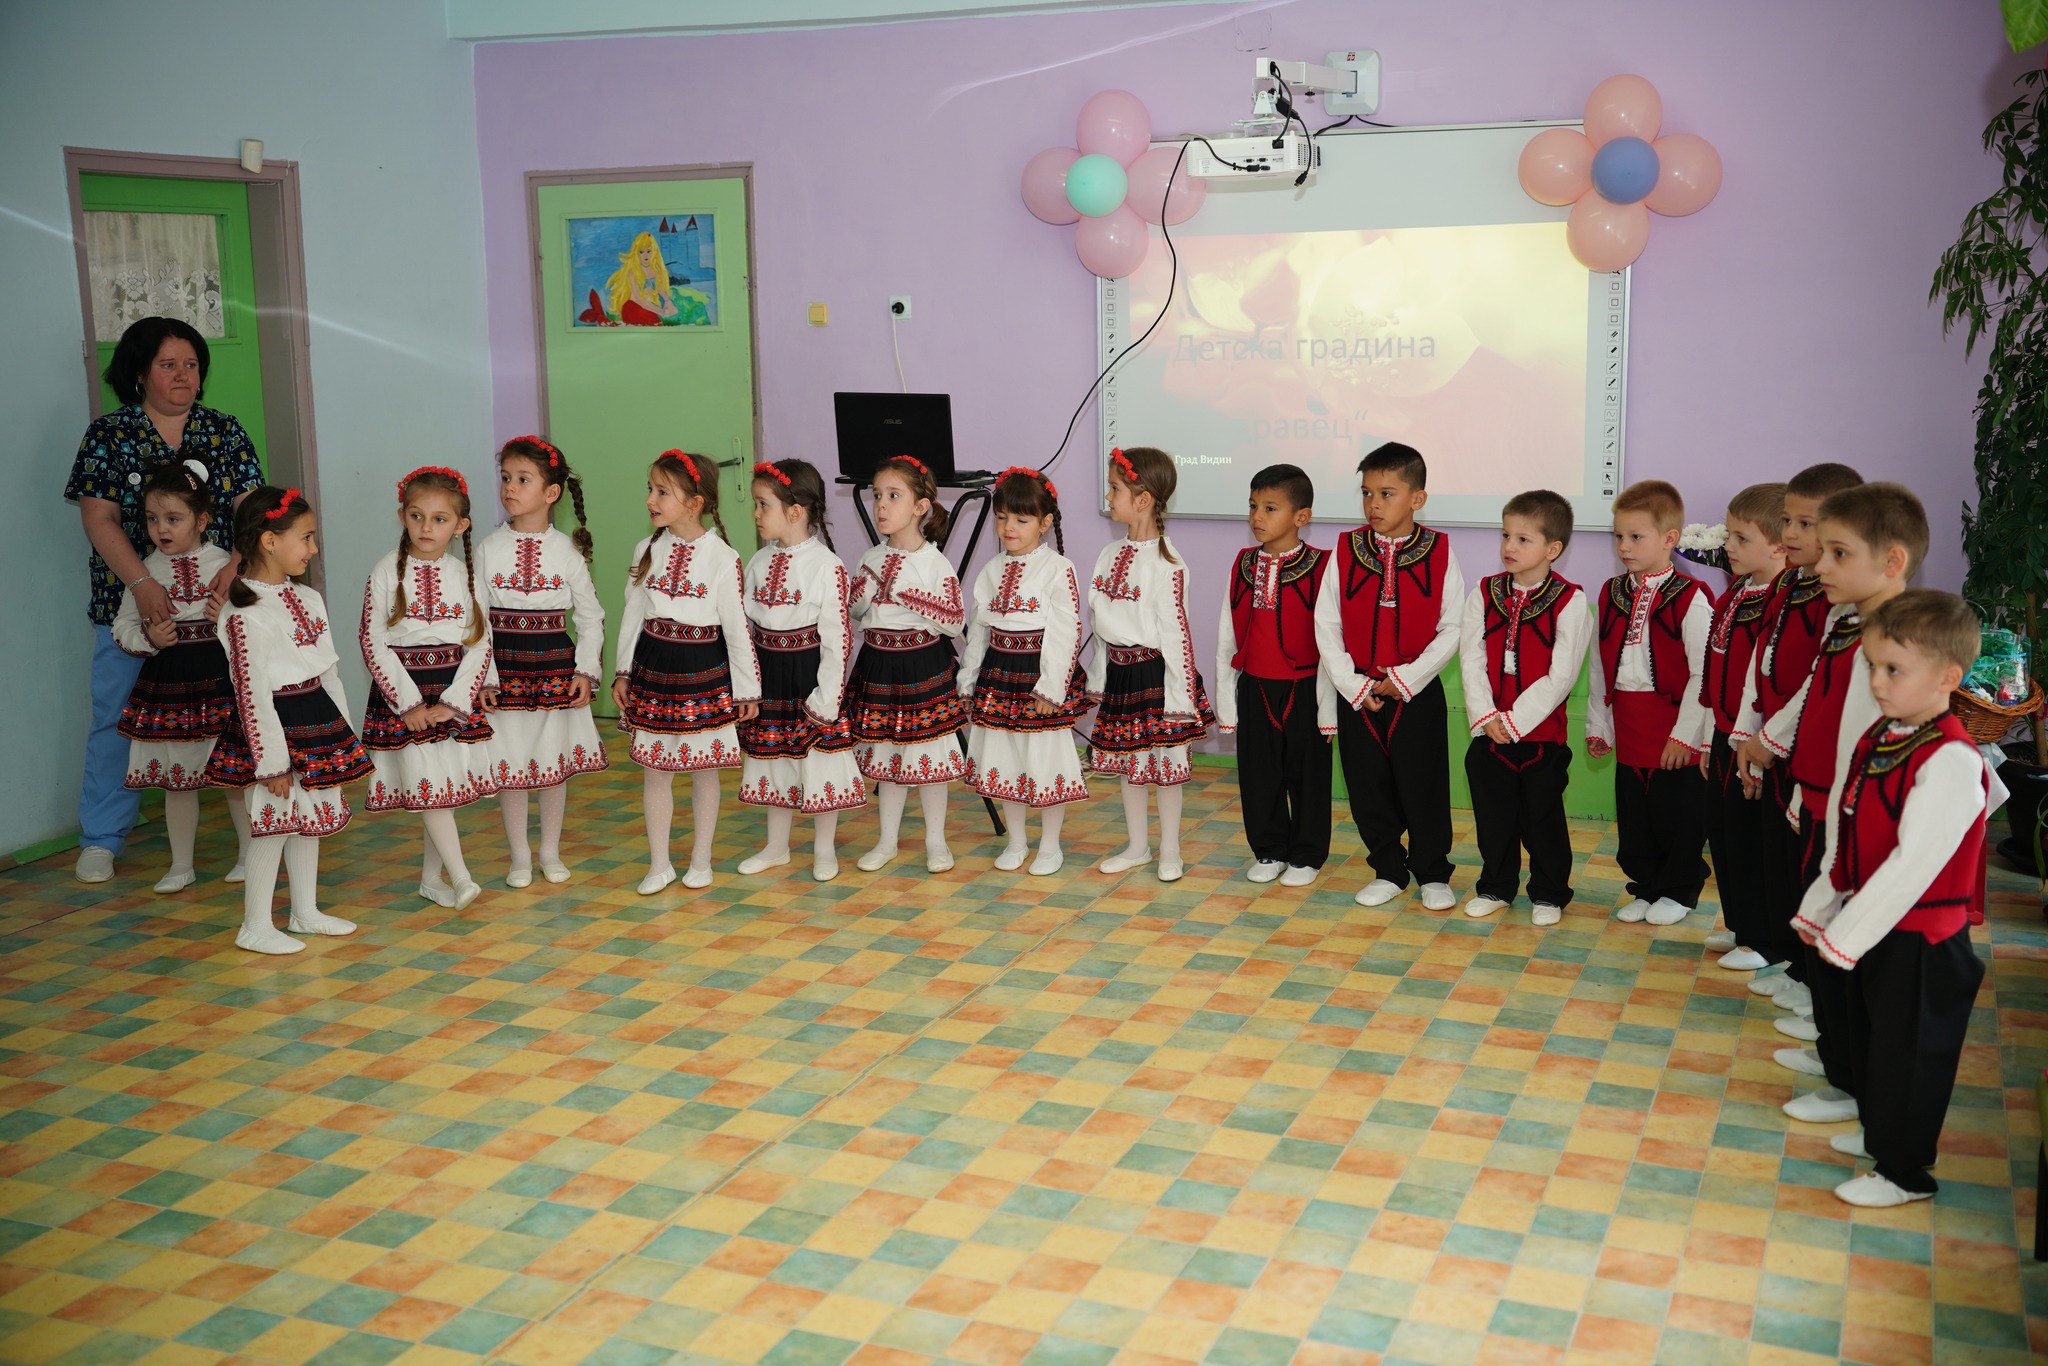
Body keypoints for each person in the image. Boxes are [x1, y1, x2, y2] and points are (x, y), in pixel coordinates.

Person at [1790, 590, 1988, 1207]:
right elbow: (1849, 829)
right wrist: (1823, 903)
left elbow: (1911, 868)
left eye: (1893, 670)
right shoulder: (1884, 734)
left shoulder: (1950, 758)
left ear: (1947, 678)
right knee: (1878, 1042)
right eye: (1872, 666)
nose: (1876, 682)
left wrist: (1844, 939)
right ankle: (1884, 1134)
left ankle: (1905, 1172)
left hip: (1923, 940)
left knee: (1911, 1056)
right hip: (1877, 927)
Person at [64, 316, 264, 883]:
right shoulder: (109, 434)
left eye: (192, 365)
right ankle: (102, 838)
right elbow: (99, 518)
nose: (183, 376)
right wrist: (142, 584)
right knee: (117, 720)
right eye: (168, 365)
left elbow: (252, 510)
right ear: (139, 373)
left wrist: (237, 565)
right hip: (128, 604)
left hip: (215, 612)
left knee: (234, 721)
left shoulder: (223, 430)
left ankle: (252, 841)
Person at [1763, 482, 1926, 1128]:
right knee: (1825, 955)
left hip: (1860, 828)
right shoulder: (1849, 621)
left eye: (1839, 553)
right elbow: (1823, 711)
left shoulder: (1900, 644)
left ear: (1892, 561)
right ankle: (1840, 1064)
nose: (1821, 565)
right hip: (1824, 807)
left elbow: (1875, 748)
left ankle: (1859, 1089)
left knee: (1856, 964)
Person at [203, 487, 371, 955]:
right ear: (270, 541)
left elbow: (328, 669)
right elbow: (251, 694)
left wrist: (344, 736)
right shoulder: (242, 613)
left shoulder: (309, 598)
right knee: (274, 824)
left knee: (307, 818)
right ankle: (255, 925)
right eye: (306, 537)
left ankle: (304, 911)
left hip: (315, 720)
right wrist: (272, 764)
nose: (313, 548)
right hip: (274, 729)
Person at [1730, 463, 1864, 1027]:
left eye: (1805, 524)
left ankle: (1816, 984)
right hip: (1782, 747)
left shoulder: (1841, 603)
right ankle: (1799, 967)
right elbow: (1761, 661)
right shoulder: (1790, 582)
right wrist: (1749, 730)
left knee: (1812, 869)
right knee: (1787, 863)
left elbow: (1815, 684)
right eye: (1787, 520)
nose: (1790, 533)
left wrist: (1771, 737)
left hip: (1808, 757)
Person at [1313, 442, 1465, 911]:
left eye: (1386, 493)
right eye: (1366, 493)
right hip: (1359, 692)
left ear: (1417, 498)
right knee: (1367, 786)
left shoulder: (1440, 550)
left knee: (1424, 784)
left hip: (1415, 693)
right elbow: (1327, 622)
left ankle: (1432, 872)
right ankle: (1388, 870)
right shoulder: (1345, 549)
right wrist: (1353, 684)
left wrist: (1407, 679)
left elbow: (1453, 626)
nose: (1373, 504)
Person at [613, 451, 759, 894]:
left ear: (694, 503)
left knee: (703, 768)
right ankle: (659, 864)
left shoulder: (723, 557)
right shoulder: (646, 549)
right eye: (650, 489)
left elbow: (736, 628)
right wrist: (623, 672)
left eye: (662, 492)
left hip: (702, 671)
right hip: (654, 668)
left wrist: (747, 689)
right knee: (656, 769)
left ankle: (701, 860)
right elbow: (632, 615)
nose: (650, 500)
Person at [360, 467, 499, 912]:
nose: (426, 527)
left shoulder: (465, 574)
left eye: (440, 519)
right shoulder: (386, 571)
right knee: (432, 788)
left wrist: (455, 703)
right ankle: (461, 878)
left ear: (460, 525)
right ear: (402, 516)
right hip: (407, 698)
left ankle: (430, 879)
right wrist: (408, 704)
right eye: (417, 516)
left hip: (449, 693)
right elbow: (372, 641)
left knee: (439, 789)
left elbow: (480, 642)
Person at [479, 436, 609, 887]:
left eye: (522, 479)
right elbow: (476, 623)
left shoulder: (567, 551)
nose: (509, 487)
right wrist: (485, 677)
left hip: (554, 668)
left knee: (553, 763)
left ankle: (550, 851)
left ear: (551, 492)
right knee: (511, 762)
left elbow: (590, 617)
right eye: (505, 478)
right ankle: (519, 856)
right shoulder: (487, 549)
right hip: (506, 670)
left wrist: (586, 671)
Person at [113, 461, 249, 892]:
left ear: (201, 520)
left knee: (235, 776)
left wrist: (228, 619)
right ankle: (180, 865)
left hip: (221, 683)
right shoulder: (144, 573)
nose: (161, 529)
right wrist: (149, 637)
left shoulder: (225, 564)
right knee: (177, 780)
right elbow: (123, 627)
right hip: (169, 686)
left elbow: (258, 622)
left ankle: (249, 857)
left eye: (173, 519)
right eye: (152, 519)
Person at [1457, 489, 1590, 927]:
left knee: (1542, 819)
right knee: (1493, 817)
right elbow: (1471, 658)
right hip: (1489, 733)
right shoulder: (1484, 593)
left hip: (1540, 737)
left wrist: (1513, 722)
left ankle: (1549, 892)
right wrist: (1486, 717)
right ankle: (1496, 886)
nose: (1509, 546)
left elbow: (1561, 676)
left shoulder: (1570, 601)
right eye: (1505, 535)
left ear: (1553, 548)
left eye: (1523, 539)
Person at [1585, 480, 1713, 925]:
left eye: (1636, 536)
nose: (1624, 546)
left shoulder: (1691, 597)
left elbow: (1704, 673)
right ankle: (1645, 885)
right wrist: (1599, 724)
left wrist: (1685, 735)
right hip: (1629, 722)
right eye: (1618, 536)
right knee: (1635, 812)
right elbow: (1600, 665)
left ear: (1669, 539)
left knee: (1676, 812)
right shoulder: (1610, 593)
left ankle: (1679, 889)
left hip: (1674, 725)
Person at [1086, 446, 1214, 883]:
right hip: (1122, 675)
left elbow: (1177, 634)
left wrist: (1179, 699)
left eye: (1114, 489)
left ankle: (1170, 851)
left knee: (1165, 767)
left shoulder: (1168, 563)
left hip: (1157, 676)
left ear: (1142, 500)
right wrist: (1099, 678)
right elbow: (1101, 627)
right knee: (1131, 763)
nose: (1109, 497)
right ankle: (1138, 846)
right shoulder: (1108, 555)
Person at [959, 467, 1091, 874]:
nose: (1008, 528)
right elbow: (979, 632)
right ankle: (1017, 841)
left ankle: (1050, 846)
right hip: (998, 674)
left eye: (1021, 519)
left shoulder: (1057, 568)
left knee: (1045, 760)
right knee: (1004, 758)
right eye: (1002, 518)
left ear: (1045, 522)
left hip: (1038, 676)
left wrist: (1051, 688)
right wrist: (968, 681)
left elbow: (1065, 631)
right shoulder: (990, 570)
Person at [737, 459, 865, 880]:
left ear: (794, 511)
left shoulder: (826, 565)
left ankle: (824, 849)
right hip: (770, 674)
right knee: (773, 758)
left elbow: (838, 639)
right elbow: (745, 626)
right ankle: (776, 846)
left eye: (763, 504)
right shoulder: (757, 562)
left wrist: (826, 699)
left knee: (818, 761)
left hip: (809, 676)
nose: (756, 513)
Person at [847, 455, 969, 872]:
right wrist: (864, 589)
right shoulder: (870, 556)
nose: (881, 504)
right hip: (879, 664)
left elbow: (954, 621)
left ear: (920, 507)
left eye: (893, 496)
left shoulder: (934, 562)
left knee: (928, 754)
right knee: (887, 754)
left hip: (922, 665)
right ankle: (887, 841)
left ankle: (937, 842)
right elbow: (855, 612)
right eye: (877, 495)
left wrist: (907, 593)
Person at [1214, 464, 1333, 888]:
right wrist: (1226, 700)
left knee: (1308, 775)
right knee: (1259, 773)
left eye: (1269, 508)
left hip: (1305, 687)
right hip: (1256, 686)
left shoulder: (1323, 565)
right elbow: (1227, 635)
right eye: (1252, 506)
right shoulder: (1243, 563)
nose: (1257, 517)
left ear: (1302, 516)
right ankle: (1269, 848)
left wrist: (1328, 709)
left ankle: (1307, 854)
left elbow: (1333, 642)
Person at [1697, 483, 1788, 969]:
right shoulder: (1735, 593)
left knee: (1755, 840)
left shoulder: (1781, 599)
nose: (1728, 546)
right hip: (1723, 732)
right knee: (1724, 831)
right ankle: (1740, 924)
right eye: (1728, 534)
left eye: (1740, 538)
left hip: (1756, 740)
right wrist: (1708, 735)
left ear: (1778, 545)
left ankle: (1765, 938)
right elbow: (1713, 670)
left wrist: (1753, 737)